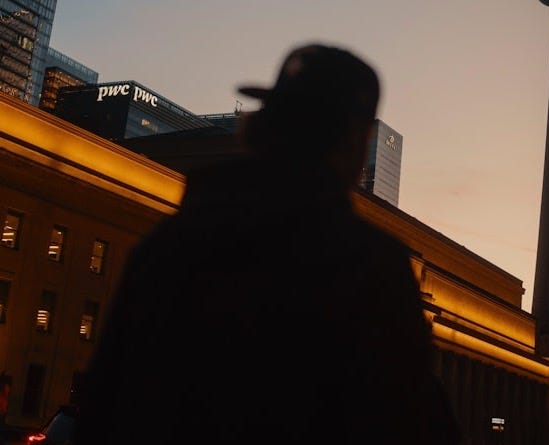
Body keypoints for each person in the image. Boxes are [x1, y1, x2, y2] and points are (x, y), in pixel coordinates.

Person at [74, 43, 461, 445]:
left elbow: (103, 408)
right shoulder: (370, 266)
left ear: (265, 125)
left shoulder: (164, 248)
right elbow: (409, 419)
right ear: (354, 140)